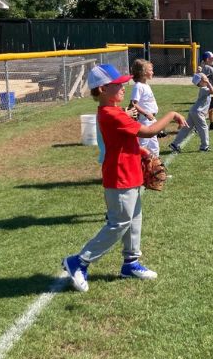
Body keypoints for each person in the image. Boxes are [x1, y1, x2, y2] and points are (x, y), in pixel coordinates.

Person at [63, 65, 184, 292]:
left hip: (131, 173)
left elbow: (125, 142)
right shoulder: (110, 113)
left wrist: (145, 153)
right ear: (102, 89)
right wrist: (171, 115)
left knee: (134, 219)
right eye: (117, 84)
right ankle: (79, 261)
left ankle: (131, 263)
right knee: (118, 223)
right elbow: (147, 132)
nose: (122, 87)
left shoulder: (117, 111)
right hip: (119, 177)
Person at [128, 58, 161, 159]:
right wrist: (146, 113)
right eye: (150, 70)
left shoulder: (145, 85)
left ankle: (155, 171)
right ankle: (139, 168)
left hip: (151, 120)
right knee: (143, 146)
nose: (152, 72)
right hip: (145, 121)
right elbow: (133, 104)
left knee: (154, 147)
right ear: (143, 72)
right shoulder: (138, 86)